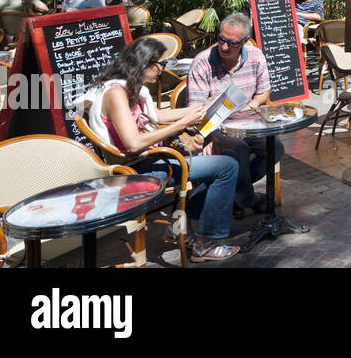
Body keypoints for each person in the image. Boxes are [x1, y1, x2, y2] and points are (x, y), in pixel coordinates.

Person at [84, 36, 242, 261]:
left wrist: (202, 107)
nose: (163, 70)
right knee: (227, 167)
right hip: (137, 171)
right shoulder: (116, 95)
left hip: (151, 160)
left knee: (222, 160)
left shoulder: (129, 88)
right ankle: (204, 244)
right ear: (144, 63)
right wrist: (182, 124)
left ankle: (183, 229)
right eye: (161, 64)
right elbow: (133, 143)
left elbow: (156, 116)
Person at [186, 13, 284, 219]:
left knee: (276, 148)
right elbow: (195, 111)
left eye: (231, 43)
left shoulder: (255, 56)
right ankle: (249, 200)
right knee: (237, 149)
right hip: (216, 127)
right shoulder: (202, 63)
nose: (223, 47)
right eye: (221, 39)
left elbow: (264, 90)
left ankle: (235, 196)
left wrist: (254, 104)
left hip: (249, 124)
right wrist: (210, 136)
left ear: (245, 41)